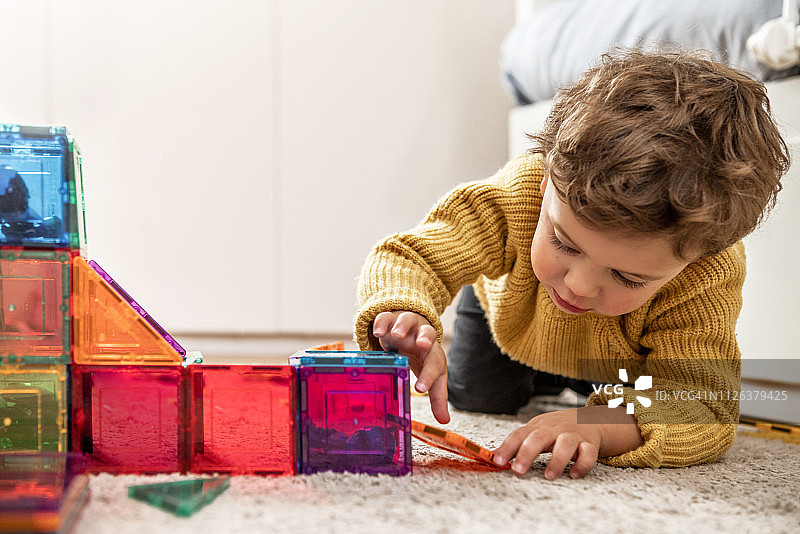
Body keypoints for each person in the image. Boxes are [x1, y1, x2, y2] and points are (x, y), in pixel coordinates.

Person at [353, 49, 791, 479]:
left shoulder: (706, 272)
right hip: (512, 319)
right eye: (563, 242)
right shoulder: (519, 192)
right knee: (478, 397)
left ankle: (577, 393)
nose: (578, 286)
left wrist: (597, 425)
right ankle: (545, 377)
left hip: (617, 359)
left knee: (598, 413)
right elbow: (412, 255)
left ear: (695, 259)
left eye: (627, 276)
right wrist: (404, 312)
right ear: (547, 183)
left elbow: (705, 407)